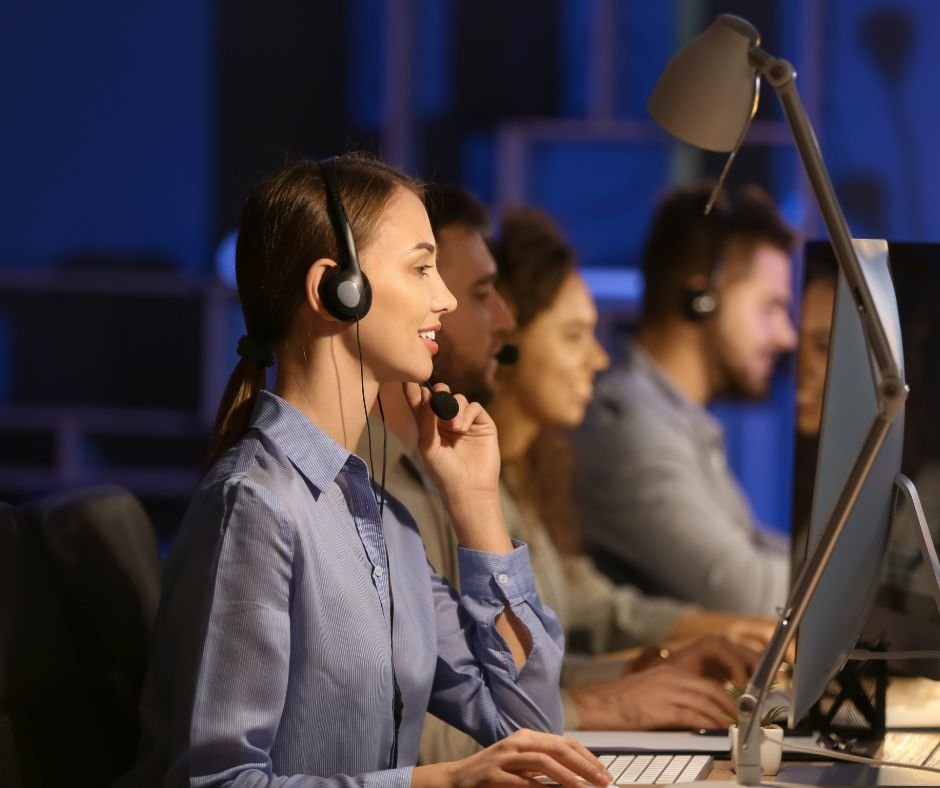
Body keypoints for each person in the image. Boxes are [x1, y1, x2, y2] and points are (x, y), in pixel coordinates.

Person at [117, 156, 613, 788]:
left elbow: (530, 721)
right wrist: (442, 783)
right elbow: (219, 782)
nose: (447, 297)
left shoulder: (380, 515)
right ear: (336, 288)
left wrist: (474, 501)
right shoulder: (255, 505)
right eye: (421, 267)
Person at [369, 187, 769, 762]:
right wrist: (624, 692)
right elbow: (403, 732)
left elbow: (515, 686)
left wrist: (646, 665)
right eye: (482, 294)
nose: (499, 317)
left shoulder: (471, 472)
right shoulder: (369, 487)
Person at [573, 182, 798, 616]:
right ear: (702, 299)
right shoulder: (628, 430)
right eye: (770, 308)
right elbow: (751, 594)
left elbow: (754, 546)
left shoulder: (675, 420)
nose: (786, 336)